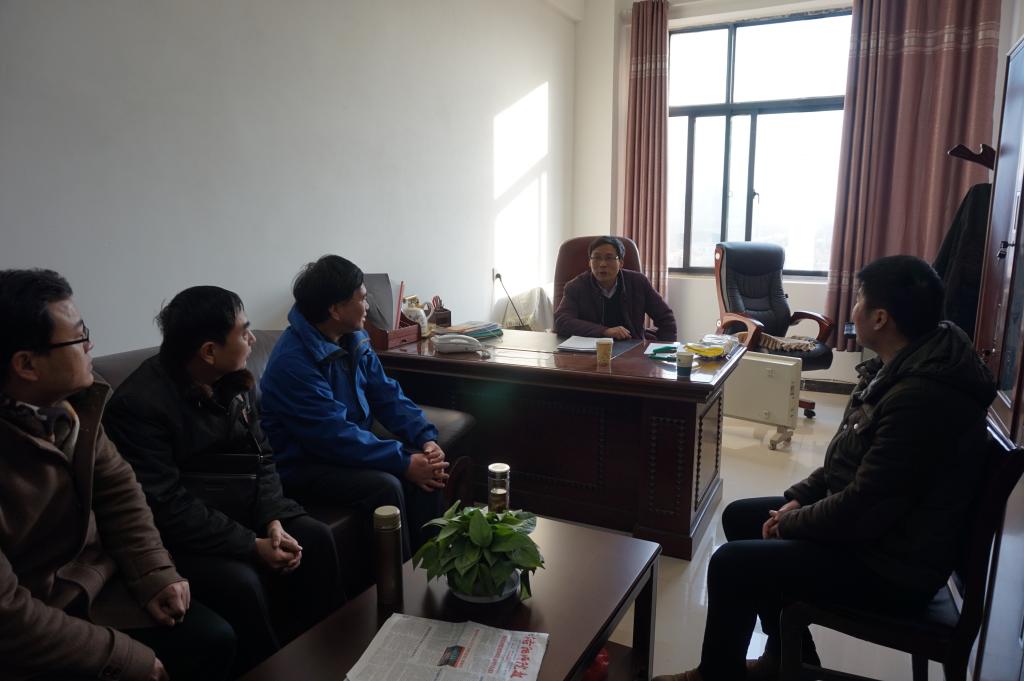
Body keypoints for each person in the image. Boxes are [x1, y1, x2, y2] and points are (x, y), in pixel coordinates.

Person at [654, 256, 996, 681]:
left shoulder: (922, 397)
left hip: (893, 566)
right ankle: (788, 657)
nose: (853, 309)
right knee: (742, 516)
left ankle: (716, 676)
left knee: (731, 564)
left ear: (880, 318)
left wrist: (792, 522)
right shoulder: (905, 366)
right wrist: (799, 498)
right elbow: (848, 460)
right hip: (888, 533)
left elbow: (866, 506)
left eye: (859, 299)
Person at [0, 269, 235, 681]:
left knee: (215, 636)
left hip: (98, 585)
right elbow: (8, 614)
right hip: (36, 620)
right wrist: (122, 657)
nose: (90, 345)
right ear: (27, 364)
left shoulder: (74, 407)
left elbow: (120, 493)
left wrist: (154, 572)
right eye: (79, 337)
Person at [104, 286, 341, 674]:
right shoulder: (138, 406)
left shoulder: (234, 381)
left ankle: (332, 656)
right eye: (244, 332)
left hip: (247, 510)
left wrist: (273, 520)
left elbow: (263, 457)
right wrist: (252, 545)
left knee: (315, 538)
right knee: (241, 582)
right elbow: (169, 506)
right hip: (189, 536)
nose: (252, 339)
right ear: (209, 351)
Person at [259, 255, 449, 563]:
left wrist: (425, 437)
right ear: (335, 309)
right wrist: (402, 462)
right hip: (304, 463)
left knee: (429, 466)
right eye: (362, 299)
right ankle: (397, 582)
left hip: (345, 448)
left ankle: (432, 567)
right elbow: (332, 435)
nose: (368, 306)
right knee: (386, 486)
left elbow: (386, 393)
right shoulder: (292, 363)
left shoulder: (353, 337)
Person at [554, 236, 676, 341]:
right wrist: (604, 331)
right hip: (591, 350)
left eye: (609, 258)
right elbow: (562, 321)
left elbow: (666, 318)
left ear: (621, 263)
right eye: (596, 258)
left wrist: (664, 350)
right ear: (589, 262)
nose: (602, 264)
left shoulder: (638, 283)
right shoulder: (576, 286)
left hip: (631, 350)